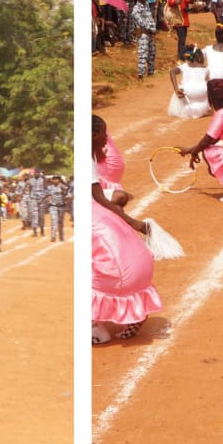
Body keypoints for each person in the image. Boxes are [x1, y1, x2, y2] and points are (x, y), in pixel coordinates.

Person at [91, 134, 162, 343]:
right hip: (142, 276)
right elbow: (113, 196)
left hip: (121, 278)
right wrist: (133, 222)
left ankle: (94, 329)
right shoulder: (104, 207)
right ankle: (135, 311)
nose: (106, 143)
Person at [168, 46, 211, 119]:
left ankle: (186, 109)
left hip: (187, 93)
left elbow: (172, 72)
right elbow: (209, 84)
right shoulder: (206, 69)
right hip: (202, 94)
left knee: (180, 88)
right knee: (206, 88)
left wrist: (176, 89)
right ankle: (200, 110)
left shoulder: (184, 66)